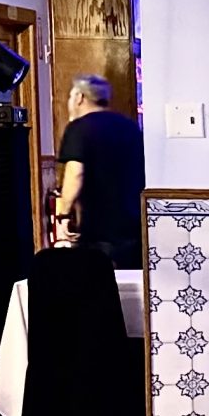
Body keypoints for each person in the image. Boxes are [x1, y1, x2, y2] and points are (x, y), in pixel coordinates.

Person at [55, 75, 146, 270]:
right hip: (136, 227)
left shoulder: (79, 128)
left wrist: (63, 215)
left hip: (98, 231)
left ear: (80, 97)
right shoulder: (130, 126)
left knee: (99, 283)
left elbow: (75, 173)